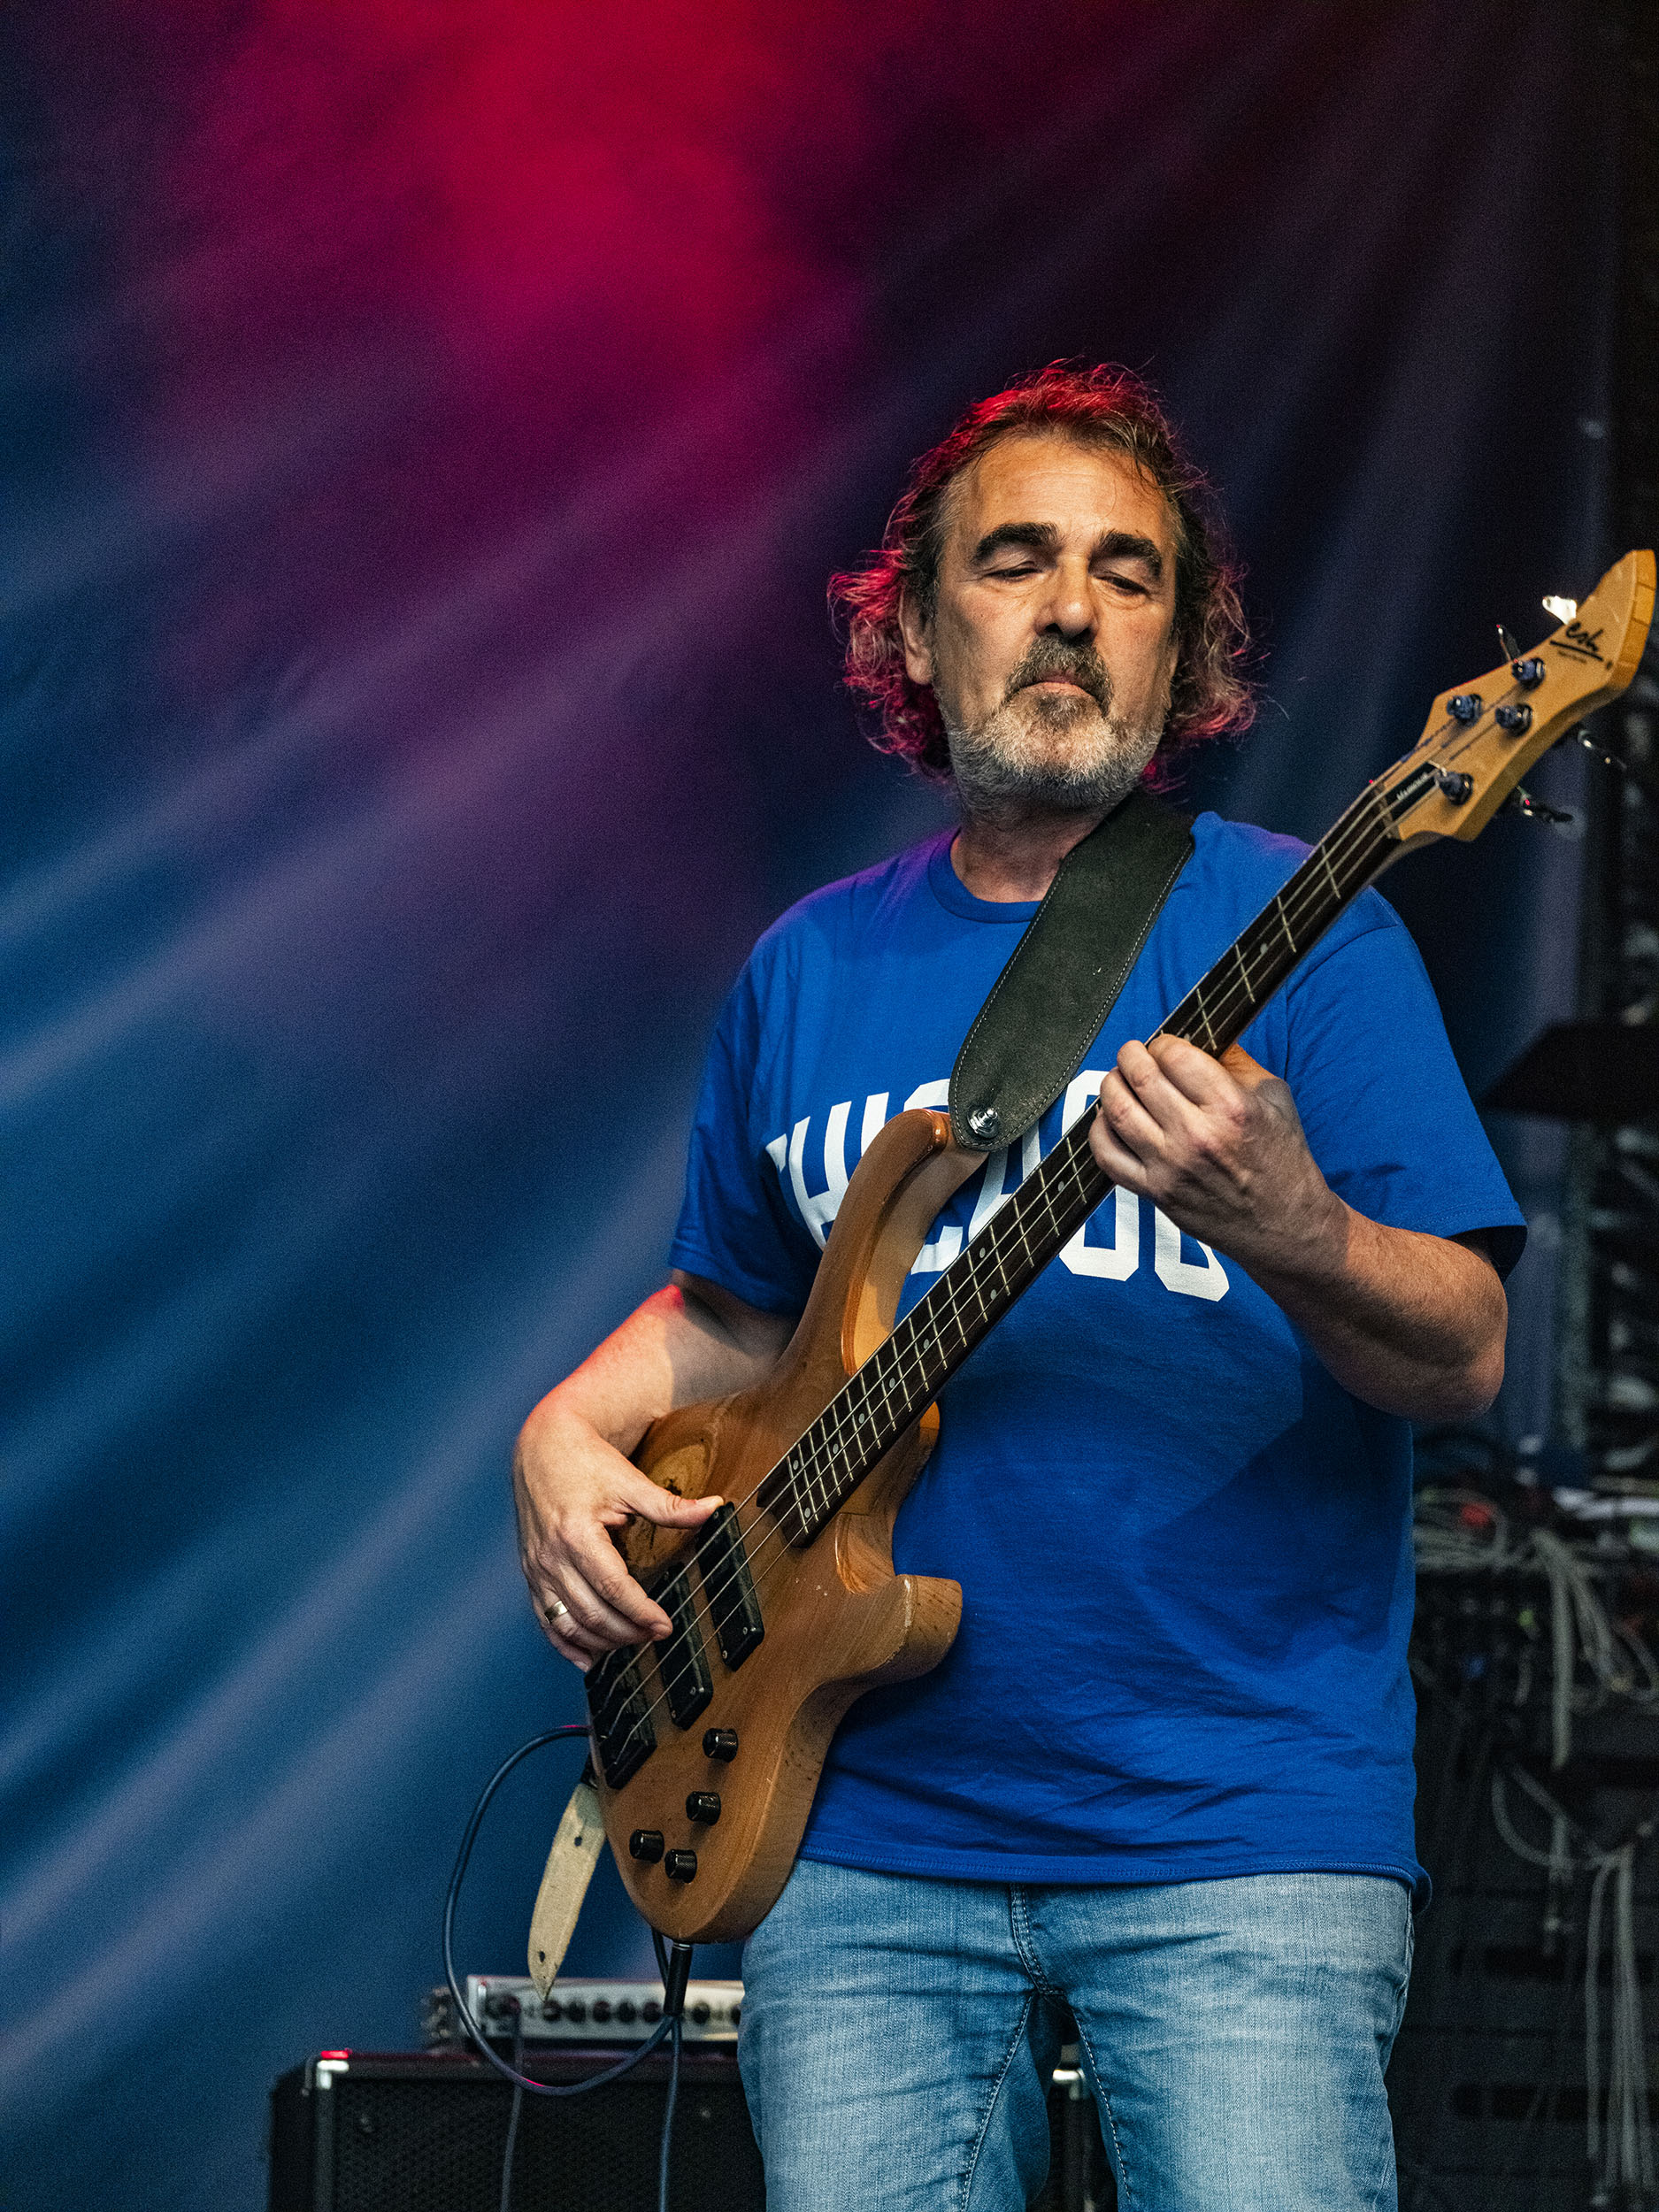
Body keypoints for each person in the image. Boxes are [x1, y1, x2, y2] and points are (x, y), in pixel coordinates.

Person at [512, 363, 1523, 2211]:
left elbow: (1460, 1350)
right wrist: (563, 1431)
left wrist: (1288, 1218)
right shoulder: (805, 968)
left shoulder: (1311, 930)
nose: (1069, 606)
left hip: (1233, 1832)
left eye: (1128, 574)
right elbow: (737, 1311)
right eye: (1017, 559)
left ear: (1180, 652)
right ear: (916, 619)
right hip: (852, 1833)